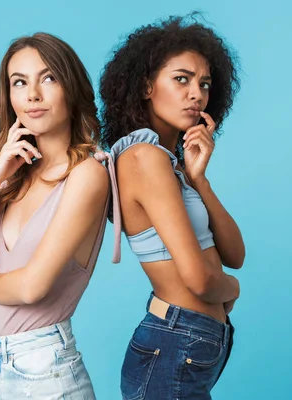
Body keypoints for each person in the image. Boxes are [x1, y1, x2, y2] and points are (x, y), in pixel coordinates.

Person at [0, 32, 119, 399]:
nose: (33, 95)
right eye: (19, 82)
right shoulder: (12, 178)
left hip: (43, 370)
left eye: (48, 78)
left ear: (70, 87)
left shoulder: (87, 174)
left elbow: (32, 287)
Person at [100, 15, 245, 399]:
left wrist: (200, 180)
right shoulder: (144, 156)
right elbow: (200, 279)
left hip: (190, 343)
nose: (196, 93)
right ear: (146, 86)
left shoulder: (172, 165)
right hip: (175, 343)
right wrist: (233, 289)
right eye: (181, 79)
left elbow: (235, 253)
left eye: (204, 83)